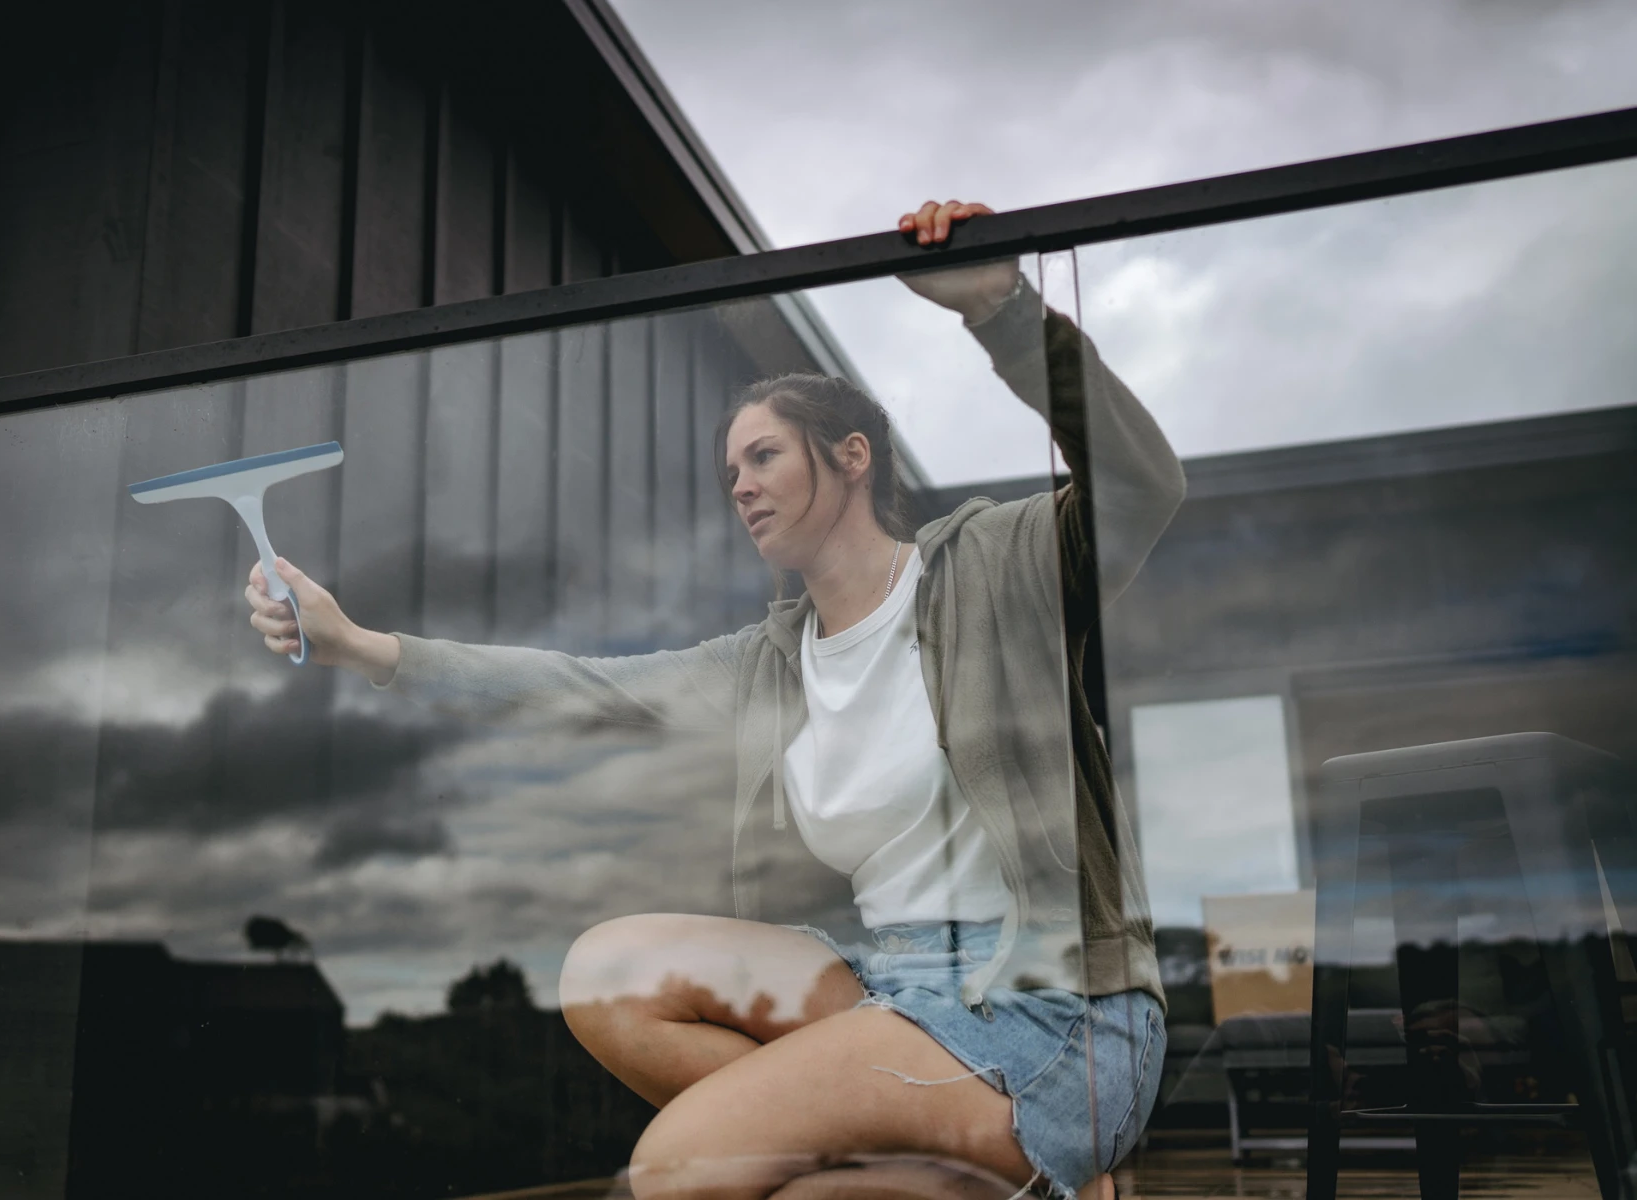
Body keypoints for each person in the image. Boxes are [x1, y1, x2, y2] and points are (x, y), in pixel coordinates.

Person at [246, 200, 1186, 1200]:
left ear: (853, 457)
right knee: (610, 972)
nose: (738, 485)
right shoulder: (769, 664)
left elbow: (1141, 488)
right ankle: (904, 1171)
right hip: (887, 986)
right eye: (729, 470)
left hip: (1055, 1013)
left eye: (764, 455)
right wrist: (360, 646)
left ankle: (956, 1155)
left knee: (679, 1167)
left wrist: (1003, 311)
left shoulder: (995, 568)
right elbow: (580, 690)